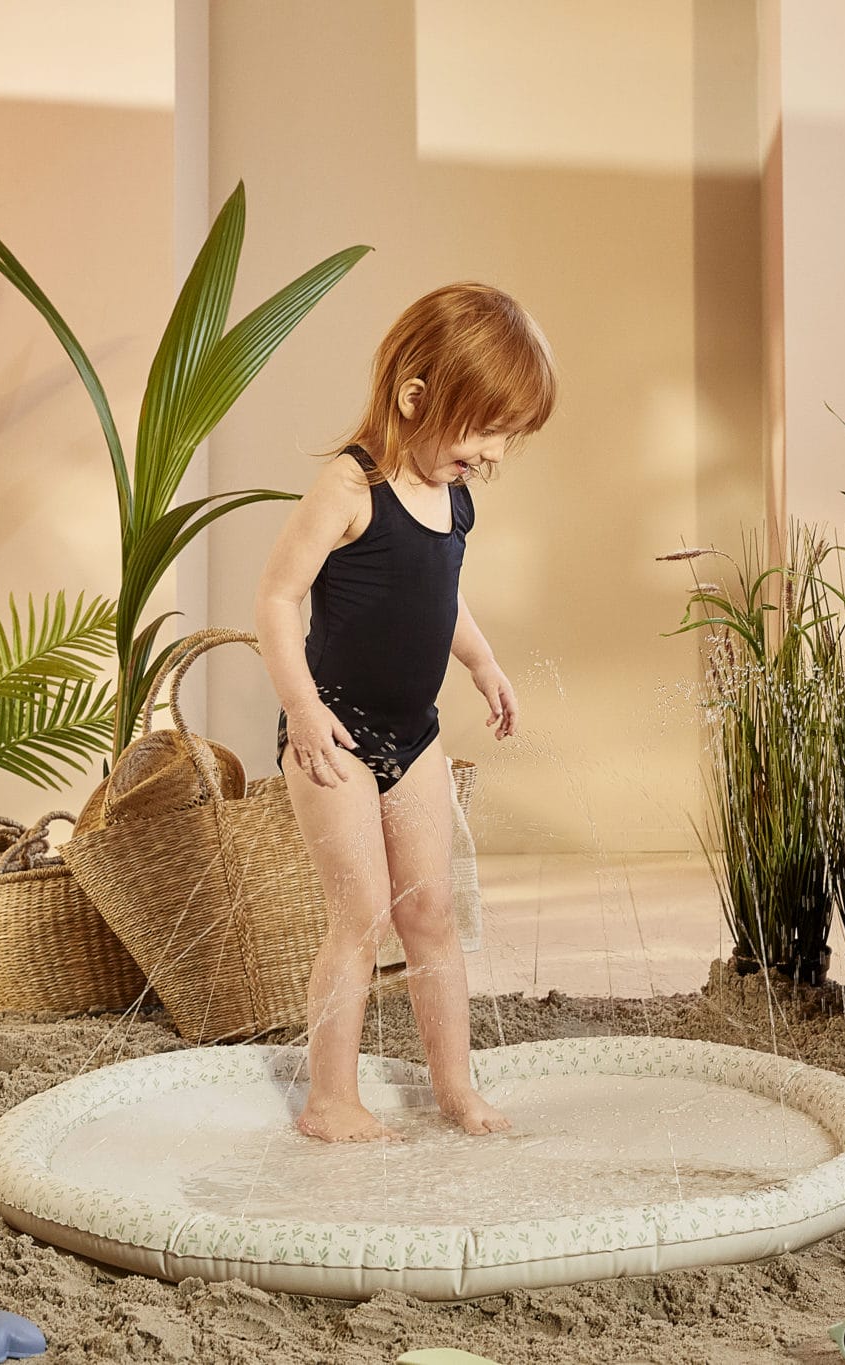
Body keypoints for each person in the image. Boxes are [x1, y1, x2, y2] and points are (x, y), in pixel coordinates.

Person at [254, 282, 556, 1142]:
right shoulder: (350, 487)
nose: (491, 453)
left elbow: (439, 593)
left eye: (505, 436)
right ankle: (330, 1099)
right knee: (360, 914)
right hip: (334, 733)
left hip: (414, 733)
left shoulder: (453, 495)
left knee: (430, 913)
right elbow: (277, 598)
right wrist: (301, 708)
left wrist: (482, 662)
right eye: (483, 430)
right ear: (416, 396)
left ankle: (454, 1086)